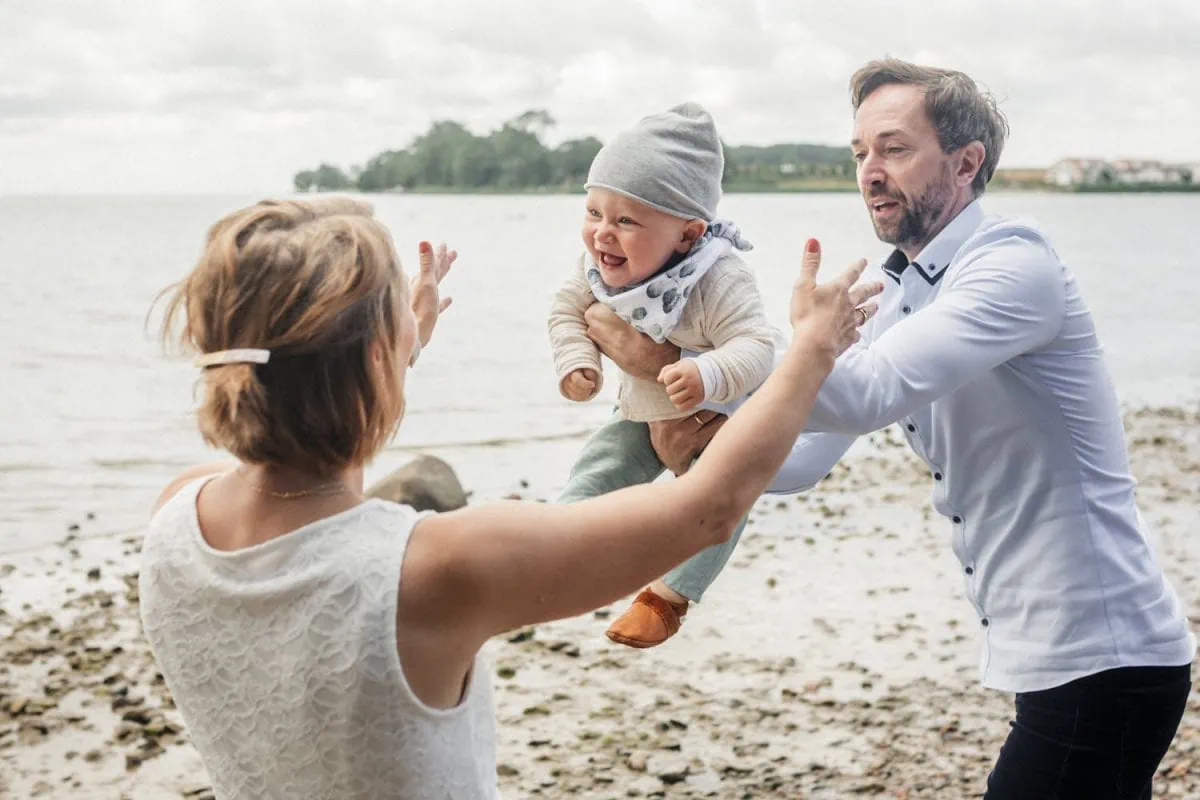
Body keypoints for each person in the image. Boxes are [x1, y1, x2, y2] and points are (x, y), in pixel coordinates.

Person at [584, 58, 1195, 799]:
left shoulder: (1012, 264)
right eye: (860, 153)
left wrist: (684, 360)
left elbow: (867, 393)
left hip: (1105, 653)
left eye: (895, 149)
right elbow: (804, 457)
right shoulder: (902, 290)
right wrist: (699, 430)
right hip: (1058, 656)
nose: (870, 171)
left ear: (966, 163)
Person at [138, 196, 880, 799]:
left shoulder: (175, 514)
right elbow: (708, 509)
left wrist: (390, 349)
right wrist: (812, 349)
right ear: (372, 358)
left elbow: (293, 452)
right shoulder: (431, 570)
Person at [549, 102, 786, 649]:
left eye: (626, 220)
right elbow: (565, 310)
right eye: (593, 212)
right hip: (638, 411)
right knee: (599, 467)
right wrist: (577, 361)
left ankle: (668, 597)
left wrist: (706, 371)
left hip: (716, 419)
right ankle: (554, 543)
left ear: (687, 234)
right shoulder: (598, 266)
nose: (602, 235)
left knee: (724, 497)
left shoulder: (719, 277)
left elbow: (758, 345)